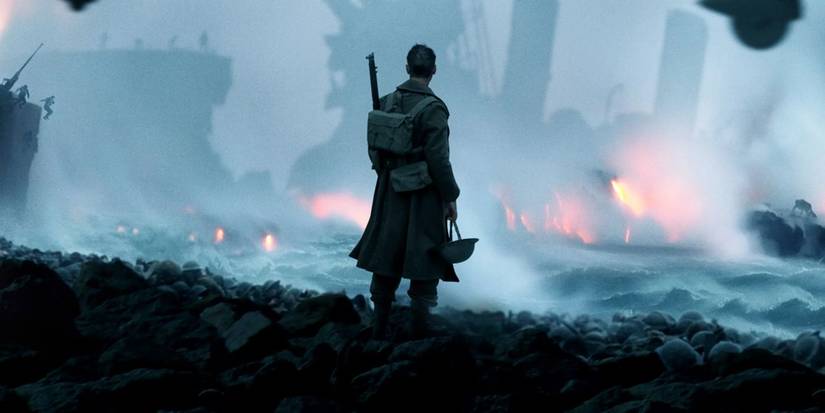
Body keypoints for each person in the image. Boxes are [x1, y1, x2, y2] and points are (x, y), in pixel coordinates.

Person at [349, 44, 460, 340]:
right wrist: (451, 196)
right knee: (424, 262)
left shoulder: (386, 102)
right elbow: (439, 159)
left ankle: (379, 332)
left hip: (389, 191)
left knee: (386, 258)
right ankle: (418, 338)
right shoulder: (434, 110)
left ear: (407, 68)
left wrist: (385, 171)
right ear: (433, 71)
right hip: (422, 197)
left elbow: (373, 146)